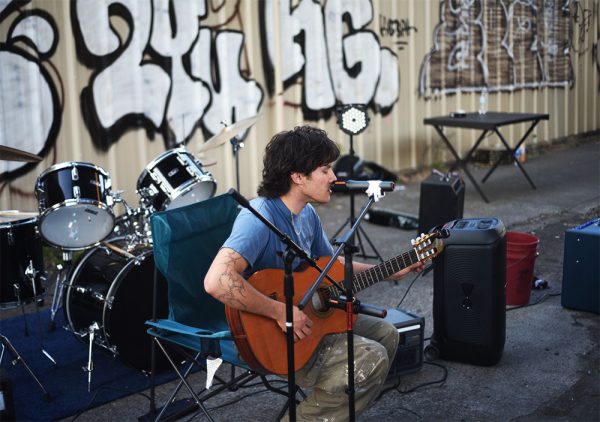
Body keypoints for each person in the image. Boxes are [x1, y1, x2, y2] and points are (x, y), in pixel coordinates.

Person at [204, 125, 423, 421]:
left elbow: (330, 270)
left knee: (386, 333)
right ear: (297, 176)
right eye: (325, 170)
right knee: (368, 357)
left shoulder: (306, 214)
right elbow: (216, 280)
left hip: (309, 322)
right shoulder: (259, 217)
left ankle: (330, 406)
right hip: (273, 336)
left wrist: (389, 271)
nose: (334, 177)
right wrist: (279, 311)